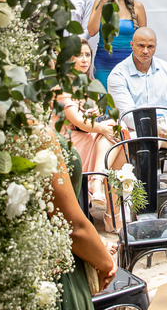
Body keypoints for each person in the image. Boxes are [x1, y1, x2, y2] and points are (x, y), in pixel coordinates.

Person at [52, 136, 119, 310]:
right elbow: (72, 227)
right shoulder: (32, 130)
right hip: (60, 269)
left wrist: (97, 242)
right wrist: (106, 263)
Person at [59, 41, 122, 219]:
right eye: (79, 55)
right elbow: (77, 120)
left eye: (88, 55)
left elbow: (97, 116)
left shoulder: (90, 83)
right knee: (114, 135)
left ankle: (98, 184)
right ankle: (112, 214)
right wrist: (103, 127)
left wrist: (105, 124)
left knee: (118, 133)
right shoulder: (61, 85)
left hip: (87, 133)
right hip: (68, 137)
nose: (85, 60)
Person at [106, 26, 167, 135]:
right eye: (141, 46)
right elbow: (128, 115)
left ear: (156, 47)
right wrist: (156, 131)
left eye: (150, 46)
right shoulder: (118, 75)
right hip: (136, 131)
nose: (145, 51)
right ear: (132, 45)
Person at [86, 0, 147, 85]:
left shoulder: (137, 7)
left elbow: (144, 39)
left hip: (129, 66)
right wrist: (101, 6)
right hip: (104, 64)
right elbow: (91, 32)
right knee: (105, 101)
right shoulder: (99, 2)